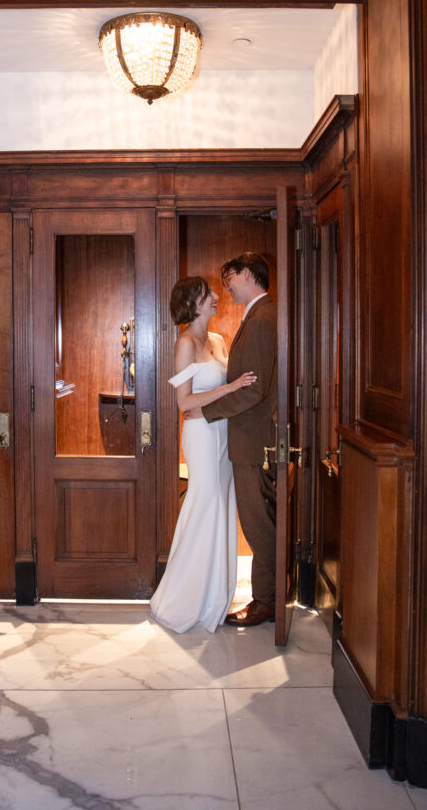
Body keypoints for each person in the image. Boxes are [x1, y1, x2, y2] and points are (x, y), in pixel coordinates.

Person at [149, 275, 256, 633]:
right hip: (201, 436)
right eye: (207, 294)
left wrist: (230, 393)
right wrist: (229, 387)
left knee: (222, 507)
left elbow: (223, 396)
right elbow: (184, 403)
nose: (215, 297)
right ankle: (183, 598)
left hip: (224, 431)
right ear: (193, 304)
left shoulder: (219, 339)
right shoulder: (185, 344)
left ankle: (214, 596)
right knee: (204, 503)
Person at [190, 253, 278, 628]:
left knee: (258, 524)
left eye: (228, 279)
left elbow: (252, 391)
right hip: (252, 437)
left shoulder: (260, 321)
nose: (225, 288)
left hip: (252, 439)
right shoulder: (262, 315)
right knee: (265, 520)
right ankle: (272, 593)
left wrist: (205, 412)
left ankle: (266, 601)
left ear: (246, 275)